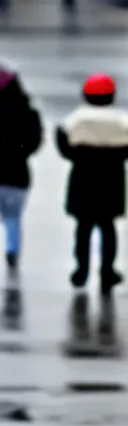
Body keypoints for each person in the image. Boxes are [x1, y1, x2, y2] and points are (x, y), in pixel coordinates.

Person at [56, 73, 128, 295]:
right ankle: (107, 271)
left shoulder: (75, 120)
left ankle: (81, 269)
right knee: (108, 228)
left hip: (83, 178)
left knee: (83, 227)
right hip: (112, 179)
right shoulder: (124, 120)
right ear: (112, 95)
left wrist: (80, 155)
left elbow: (63, 146)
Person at [0, 66, 42, 272]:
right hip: (17, 174)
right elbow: (34, 142)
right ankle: (12, 251)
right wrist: (20, 152)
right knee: (13, 218)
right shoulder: (26, 112)